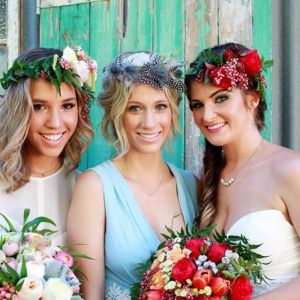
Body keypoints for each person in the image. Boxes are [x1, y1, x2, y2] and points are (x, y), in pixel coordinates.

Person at [67, 51, 198, 299]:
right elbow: (89, 295)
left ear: (172, 111)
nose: (149, 123)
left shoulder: (192, 185)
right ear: (117, 114)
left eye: (160, 107)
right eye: (135, 108)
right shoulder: (95, 187)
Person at [185, 42, 300, 299]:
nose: (207, 115)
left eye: (221, 98)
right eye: (197, 105)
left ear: (252, 99)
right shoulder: (209, 180)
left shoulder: (291, 170)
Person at [0, 46, 96, 244]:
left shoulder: (87, 191)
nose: (55, 123)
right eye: (39, 107)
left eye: (67, 106)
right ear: (19, 110)